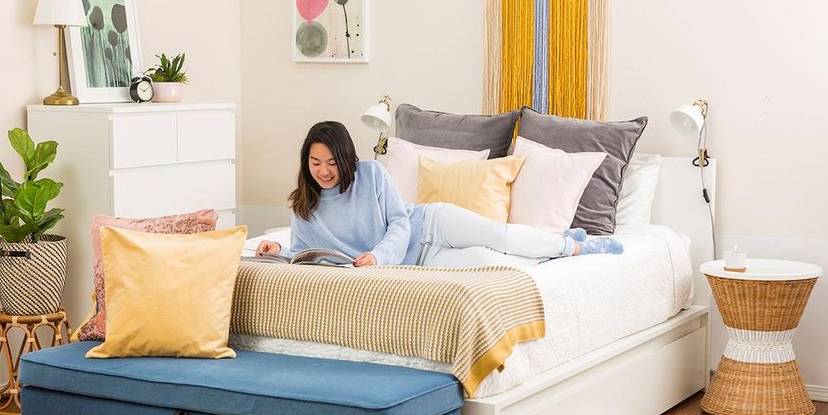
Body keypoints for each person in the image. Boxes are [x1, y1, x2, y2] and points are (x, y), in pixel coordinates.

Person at [257, 121, 623, 268]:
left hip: (430, 224)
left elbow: (400, 221)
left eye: (332, 162)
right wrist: (278, 251)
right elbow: (305, 253)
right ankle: (551, 247)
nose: (323, 171)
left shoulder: (370, 174)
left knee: (501, 236)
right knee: (494, 262)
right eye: (315, 162)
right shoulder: (305, 206)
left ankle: (575, 246)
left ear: (346, 158)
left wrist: (379, 257)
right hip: (419, 262)